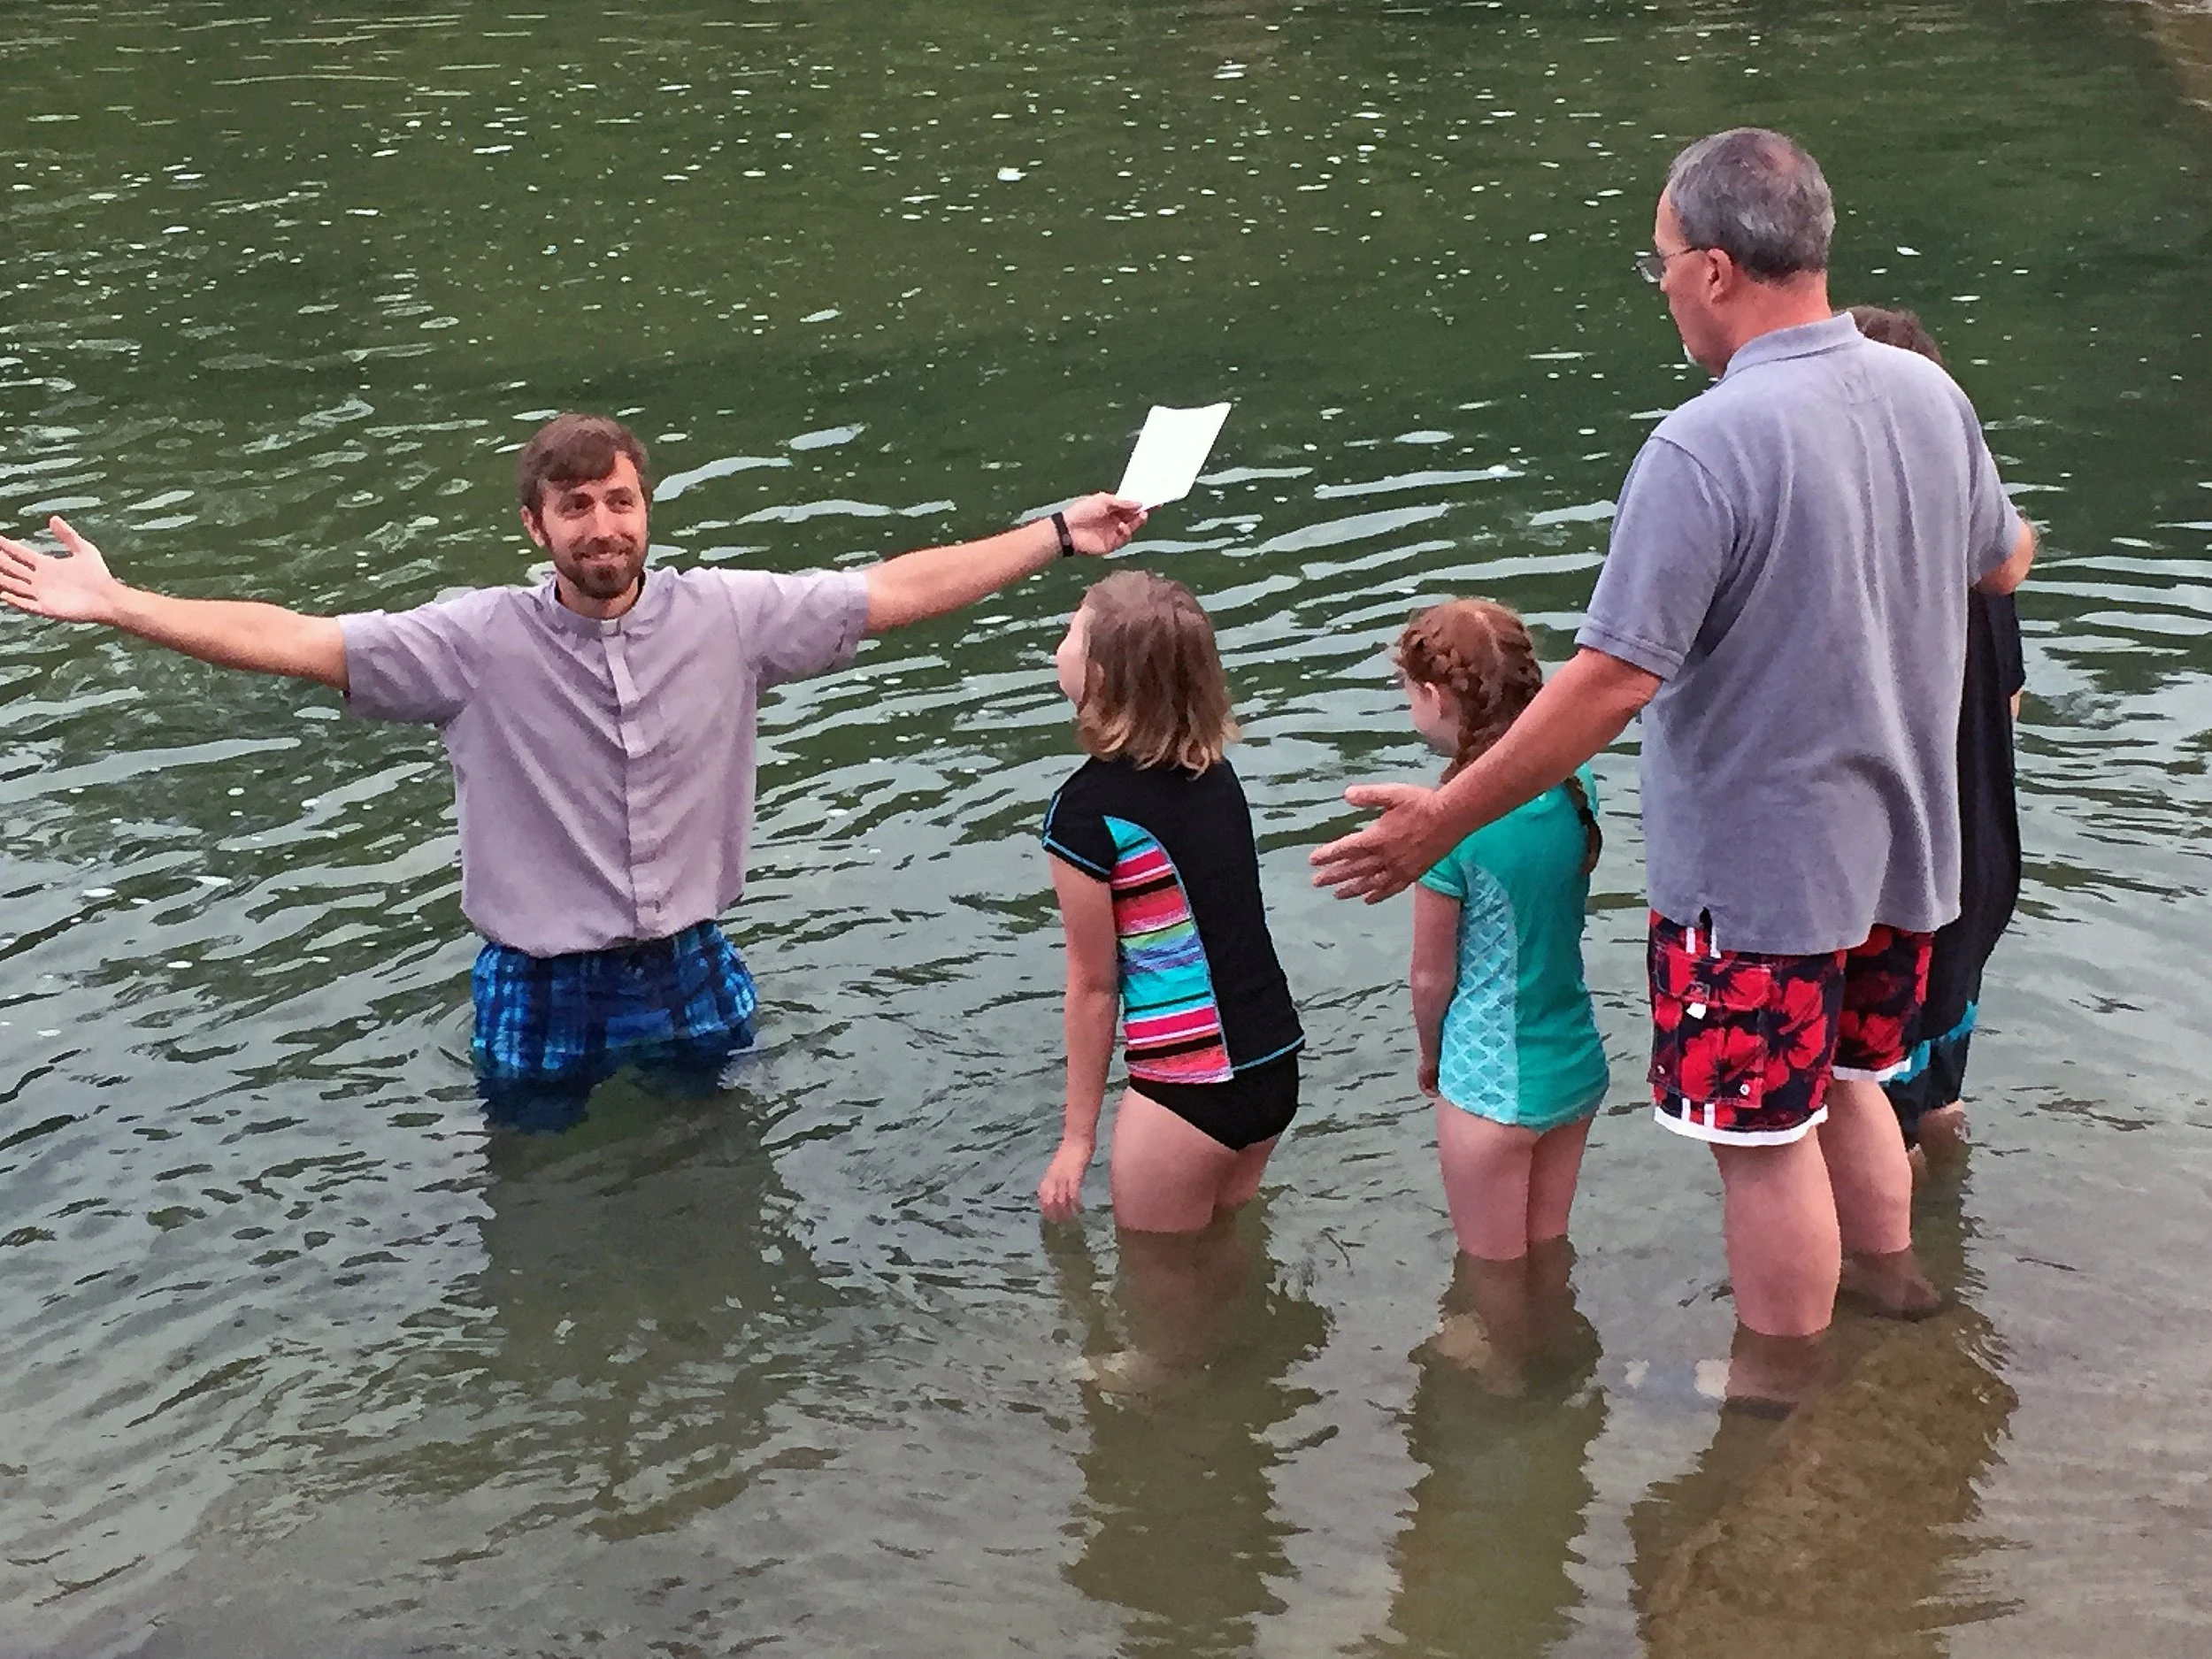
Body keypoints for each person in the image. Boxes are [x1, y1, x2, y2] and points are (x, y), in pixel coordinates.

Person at [1310, 128, 2037, 1355]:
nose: (1661, 294)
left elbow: (1607, 684)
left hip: (1761, 878)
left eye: (1657, 267)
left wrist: (1445, 815)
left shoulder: (1706, 443)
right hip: (1908, 847)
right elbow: (2003, 558)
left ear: (1711, 269)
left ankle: (1775, 1392)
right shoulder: (1927, 393)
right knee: (1858, 1082)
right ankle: (1897, 1289)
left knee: (1761, 1144)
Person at [0, 412, 1147, 1118]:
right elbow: (299, 639)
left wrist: (1055, 530)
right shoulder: (469, 642)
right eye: (575, 506)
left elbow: (892, 590)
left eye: (620, 500)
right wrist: (116, 604)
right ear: (534, 526)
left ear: (647, 509)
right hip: (536, 975)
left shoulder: (732, 617)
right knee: (534, 1188)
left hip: (693, 958)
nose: (602, 524)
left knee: (714, 1151)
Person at [1033, 570, 1303, 1234]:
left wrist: (1077, 1139)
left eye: (1072, 633)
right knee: (1229, 1264)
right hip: (1273, 1063)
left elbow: (1094, 986)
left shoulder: (1083, 814)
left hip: (1186, 1091)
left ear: (1099, 676)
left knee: (1160, 1311)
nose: (1056, 648)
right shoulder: (1217, 775)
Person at [1848, 305, 2027, 1171]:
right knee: (1941, 1090)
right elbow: (2011, 703)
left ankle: (1892, 1284)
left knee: (1877, 1104)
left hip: (1910, 883)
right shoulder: (1986, 558)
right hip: (1985, 858)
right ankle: (1951, 1231)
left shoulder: (1871, 570)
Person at [1398, 600, 1609, 1290]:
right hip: (1574, 1065)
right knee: (1548, 1265)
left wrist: (1431, 1058)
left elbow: (1430, 980)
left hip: (1488, 1083)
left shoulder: (1445, 827)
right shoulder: (1581, 791)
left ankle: (1512, 1386)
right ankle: (1561, 1380)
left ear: (1433, 696)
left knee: (1490, 1289)